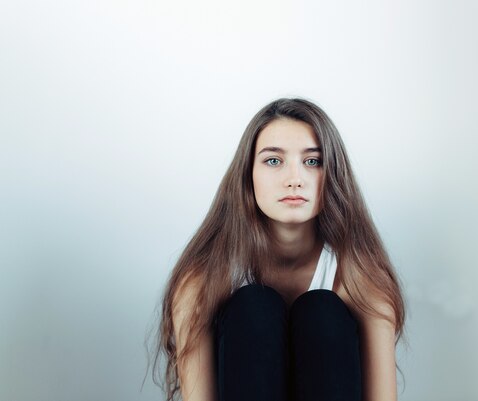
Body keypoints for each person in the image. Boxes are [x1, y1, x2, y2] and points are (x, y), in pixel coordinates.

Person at [155, 98, 406, 401]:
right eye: (273, 161)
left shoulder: (360, 278)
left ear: (333, 175)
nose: (294, 180)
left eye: (312, 161)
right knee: (253, 308)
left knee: (322, 314)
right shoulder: (204, 279)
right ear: (248, 174)